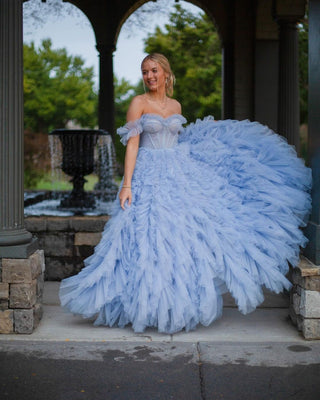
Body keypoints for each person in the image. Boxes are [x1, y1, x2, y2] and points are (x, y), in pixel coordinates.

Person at [59, 53, 312, 334]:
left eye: (154, 70)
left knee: (179, 239)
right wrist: (127, 184)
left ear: (166, 73)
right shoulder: (138, 103)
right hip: (148, 175)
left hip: (178, 175)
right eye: (145, 72)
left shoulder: (176, 104)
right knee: (145, 238)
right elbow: (132, 146)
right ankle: (142, 303)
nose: (149, 76)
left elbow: (178, 140)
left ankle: (176, 304)